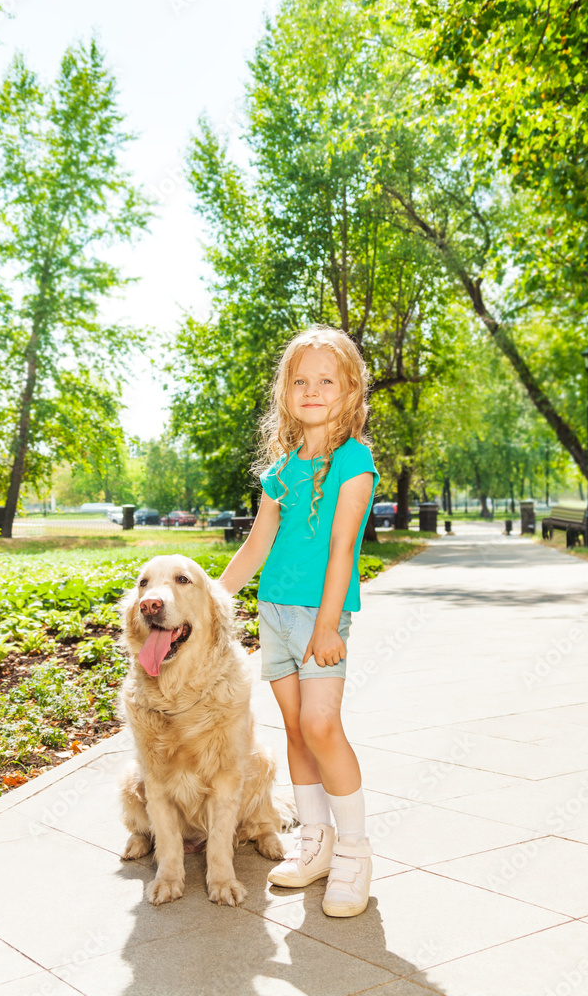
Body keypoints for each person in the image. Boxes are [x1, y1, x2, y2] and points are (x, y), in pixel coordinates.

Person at [219, 325, 380, 918]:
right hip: (275, 614)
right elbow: (259, 543)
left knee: (322, 727)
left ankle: (356, 853)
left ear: (349, 390)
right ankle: (315, 843)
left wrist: (328, 625)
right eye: (300, 380)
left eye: (326, 381)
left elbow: (343, 551)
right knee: (294, 729)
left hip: (321, 616)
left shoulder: (354, 461)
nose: (312, 390)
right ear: (286, 391)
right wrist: (214, 596)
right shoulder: (282, 468)